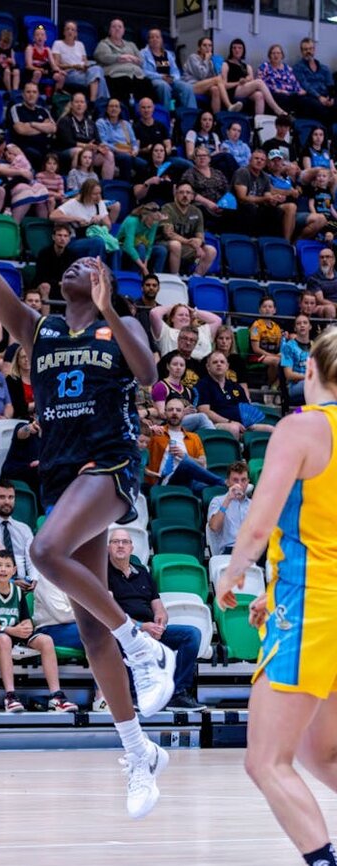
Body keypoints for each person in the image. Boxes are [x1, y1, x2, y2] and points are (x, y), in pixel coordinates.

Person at [0, 154, 176, 820]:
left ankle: (143, 647)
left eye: (90, 265)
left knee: (43, 554)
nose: (76, 267)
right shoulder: (35, 328)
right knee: (89, 629)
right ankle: (138, 756)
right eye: (70, 266)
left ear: (102, 282)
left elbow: (151, 376)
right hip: (66, 476)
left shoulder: (116, 327)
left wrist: (112, 308)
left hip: (111, 464)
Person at [216, 327, 337, 866]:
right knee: (323, 754)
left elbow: (261, 520)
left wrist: (235, 572)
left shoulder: (304, 428)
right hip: (312, 603)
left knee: (265, 761)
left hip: (312, 607)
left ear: (308, 369)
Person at [108, 527, 204, 710]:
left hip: (150, 628)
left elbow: (158, 606)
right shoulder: (103, 572)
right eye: (115, 542)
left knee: (192, 634)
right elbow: (111, 612)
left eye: (125, 542)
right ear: (108, 547)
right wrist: (142, 626)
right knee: (122, 637)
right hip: (124, 630)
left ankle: (177, 694)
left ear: (131, 548)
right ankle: (135, 695)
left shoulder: (142, 572)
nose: (120, 545)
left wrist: (160, 620)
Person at [0, 549, 76, 713]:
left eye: (7, 566)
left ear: (14, 570)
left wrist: (27, 626)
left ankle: (56, 696)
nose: (3, 569)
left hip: (17, 633)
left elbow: (26, 620)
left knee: (46, 640)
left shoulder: (18, 592)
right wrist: (12, 630)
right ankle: (10, 696)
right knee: (4, 640)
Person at [33, 573, 106, 712]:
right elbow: (62, 615)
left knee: (108, 634)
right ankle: (101, 696)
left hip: (75, 626)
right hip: (51, 629)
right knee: (97, 633)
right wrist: (91, 614)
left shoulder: (76, 578)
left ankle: (109, 695)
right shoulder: (47, 578)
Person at [146, 396, 222, 491]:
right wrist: (149, 431)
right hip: (164, 482)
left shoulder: (194, 437)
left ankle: (234, 486)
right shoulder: (157, 434)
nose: (174, 413)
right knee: (185, 463)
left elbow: (203, 464)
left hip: (190, 483)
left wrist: (185, 456)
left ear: (183, 414)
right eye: (170, 410)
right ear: (165, 413)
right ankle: (223, 482)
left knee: (215, 489)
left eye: (178, 410)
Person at [0, 480, 40, 592]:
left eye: (11, 497)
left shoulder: (24, 529)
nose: (7, 501)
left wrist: (33, 579)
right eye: (1, 497)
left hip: (25, 583)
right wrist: (9, 581)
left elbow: (32, 560)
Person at [196, 351, 275, 439]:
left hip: (241, 424)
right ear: (208, 367)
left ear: (227, 366)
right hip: (215, 424)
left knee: (271, 429)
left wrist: (247, 423)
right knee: (234, 428)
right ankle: (238, 450)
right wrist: (229, 422)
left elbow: (247, 409)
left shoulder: (235, 386)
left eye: (222, 362)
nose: (219, 364)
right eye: (215, 362)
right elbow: (205, 411)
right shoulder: (203, 385)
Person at [159, 181, 218, 276]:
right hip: (166, 244)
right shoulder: (167, 208)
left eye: (188, 193)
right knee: (176, 244)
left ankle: (196, 277)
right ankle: (175, 277)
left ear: (193, 196)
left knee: (211, 250)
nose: (185, 195)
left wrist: (198, 242)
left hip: (187, 246)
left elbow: (200, 235)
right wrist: (189, 242)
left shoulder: (197, 211)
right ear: (176, 193)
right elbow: (168, 233)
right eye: (181, 192)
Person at [233, 149, 294, 239]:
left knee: (276, 211)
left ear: (265, 163)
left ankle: (269, 242)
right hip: (237, 207)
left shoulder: (264, 177)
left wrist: (274, 198)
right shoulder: (243, 172)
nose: (259, 161)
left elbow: (267, 196)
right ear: (250, 160)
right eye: (256, 158)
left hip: (254, 208)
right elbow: (242, 198)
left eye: (262, 160)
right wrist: (264, 199)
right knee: (250, 208)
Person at [221, 37, 286, 116]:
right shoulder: (226, 64)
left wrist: (247, 80)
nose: (237, 50)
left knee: (259, 95)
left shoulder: (247, 66)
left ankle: (258, 123)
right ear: (231, 50)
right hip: (233, 91)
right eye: (234, 48)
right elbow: (224, 85)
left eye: (240, 48)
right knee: (259, 82)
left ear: (243, 50)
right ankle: (277, 109)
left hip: (246, 90)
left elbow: (251, 82)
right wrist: (238, 82)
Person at [55, 92, 115, 178]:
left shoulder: (91, 122)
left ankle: (107, 186)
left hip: (89, 152)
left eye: (82, 102)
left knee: (109, 155)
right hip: (68, 151)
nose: (79, 104)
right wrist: (85, 146)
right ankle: (75, 184)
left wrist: (101, 147)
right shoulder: (65, 120)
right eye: (76, 102)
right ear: (71, 105)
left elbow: (98, 141)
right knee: (79, 151)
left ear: (86, 105)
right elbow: (68, 141)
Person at [94, 18, 153, 103]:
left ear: (123, 31)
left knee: (147, 83)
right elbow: (103, 57)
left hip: (136, 75)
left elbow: (141, 61)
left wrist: (130, 58)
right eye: (114, 27)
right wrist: (120, 57)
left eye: (120, 27)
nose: (117, 29)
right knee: (124, 82)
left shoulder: (131, 45)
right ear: (110, 30)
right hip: (115, 75)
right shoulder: (104, 44)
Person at [151, 351, 213, 431]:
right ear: (168, 366)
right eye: (175, 364)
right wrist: (182, 413)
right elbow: (161, 414)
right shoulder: (161, 386)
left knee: (202, 422)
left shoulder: (188, 390)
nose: (178, 367)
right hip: (168, 425)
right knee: (201, 417)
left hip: (185, 424)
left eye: (182, 365)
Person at [51, 20, 108, 102]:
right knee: (99, 78)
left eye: (72, 30)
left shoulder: (80, 44)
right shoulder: (58, 44)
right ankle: (99, 102)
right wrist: (73, 66)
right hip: (68, 73)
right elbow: (56, 64)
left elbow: (85, 61)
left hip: (82, 72)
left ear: (76, 33)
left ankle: (93, 102)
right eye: (68, 29)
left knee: (97, 69)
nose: (70, 31)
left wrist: (85, 66)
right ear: (64, 32)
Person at [183, 35, 243, 112]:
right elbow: (202, 75)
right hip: (191, 86)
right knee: (217, 79)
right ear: (199, 48)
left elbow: (213, 78)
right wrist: (206, 60)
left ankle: (216, 117)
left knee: (215, 89)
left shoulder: (210, 62)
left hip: (204, 86)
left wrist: (212, 64)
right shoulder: (193, 58)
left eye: (210, 46)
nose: (207, 48)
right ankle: (229, 105)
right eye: (204, 45)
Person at [141, 29, 196, 111]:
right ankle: (168, 114)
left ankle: (190, 114)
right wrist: (162, 77)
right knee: (164, 86)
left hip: (170, 80)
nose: (155, 39)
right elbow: (143, 71)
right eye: (152, 37)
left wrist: (172, 78)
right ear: (148, 40)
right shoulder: (143, 53)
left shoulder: (168, 54)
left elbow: (175, 71)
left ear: (161, 40)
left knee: (187, 87)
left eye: (157, 37)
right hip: (155, 80)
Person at [150, 298, 220, 360]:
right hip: (175, 366)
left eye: (187, 315)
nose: (184, 317)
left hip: (202, 368)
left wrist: (196, 313)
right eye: (180, 315)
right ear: (172, 318)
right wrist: (171, 308)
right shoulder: (166, 332)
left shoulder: (202, 331)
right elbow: (154, 313)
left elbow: (217, 320)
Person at [7, 82, 56, 170]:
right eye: (28, 92)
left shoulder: (43, 111)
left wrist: (32, 124)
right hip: (23, 146)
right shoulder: (16, 108)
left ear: (38, 95)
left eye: (34, 92)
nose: (31, 95)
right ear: (23, 94)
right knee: (36, 154)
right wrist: (43, 127)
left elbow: (53, 128)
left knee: (55, 156)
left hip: (43, 146)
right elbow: (21, 130)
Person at [95, 97, 146, 182]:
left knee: (143, 164)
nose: (114, 109)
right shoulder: (101, 123)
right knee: (126, 159)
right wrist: (119, 150)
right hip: (112, 152)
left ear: (120, 110)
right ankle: (125, 186)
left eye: (116, 106)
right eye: (111, 106)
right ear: (107, 109)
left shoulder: (125, 124)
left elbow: (133, 142)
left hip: (128, 152)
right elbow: (103, 142)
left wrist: (135, 151)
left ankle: (136, 188)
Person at [208, 460, 251, 554]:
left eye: (243, 480)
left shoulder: (253, 505)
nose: (239, 484)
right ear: (227, 482)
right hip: (229, 549)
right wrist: (228, 499)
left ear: (248, 482)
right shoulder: (218, 501)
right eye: (235, 480)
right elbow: (214, 527)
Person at [293, 37, 337, 126]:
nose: (308, 51)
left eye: (310, 49)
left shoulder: (324, 68)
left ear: (314, 50)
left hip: (325, 97)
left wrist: (331, 98)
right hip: (309, 97)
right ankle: (327, 136)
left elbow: (331, 85)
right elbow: (305, 85)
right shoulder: (298, 67)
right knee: (318, 107)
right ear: (302, 52)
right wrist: (319, 97)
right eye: (305, 49)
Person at [257, 44, 308, 115]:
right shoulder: (264, 67)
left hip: (290, 94)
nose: (276, 55)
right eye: (273, 53)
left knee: (305, 100)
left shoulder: (288, 68)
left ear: (282, 55)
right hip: (274, 94)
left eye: (278, 53)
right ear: (269, 55)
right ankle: (286, 118)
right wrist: (279, 91)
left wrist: (299, 90)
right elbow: (262, 84)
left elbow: (294, 82)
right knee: (283, 98)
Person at [117, 203, 168, 275]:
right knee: (141, 247)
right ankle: (136, 276)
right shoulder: (132, 221)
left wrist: (146, 262)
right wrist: (143, 267)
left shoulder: (154, 223)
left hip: (141, 246)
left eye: (156, 221)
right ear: (145, 216)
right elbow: (128, 246)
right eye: (153, 220)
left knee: (161, 250)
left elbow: (149, 245)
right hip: (123, 246)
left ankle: (156, 277)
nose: (154, 223)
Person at [249, 296, 283, 385]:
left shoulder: (277, 327)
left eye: (270, 307)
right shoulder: (256, 326)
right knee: (276, 361)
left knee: (288, 360)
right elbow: (256, 349)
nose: (267, 309)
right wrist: (274, 356)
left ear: (274, 310)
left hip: (272, 355)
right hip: (257, 356)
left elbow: (279, 347)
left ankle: (276, 386)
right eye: (264, 306)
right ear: (260, 310)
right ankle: (269, 386)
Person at [133, 142, 177, 208]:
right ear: (151, 153)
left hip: (168, 206)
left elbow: (177, 193)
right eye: (156, 151)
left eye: (161, 151)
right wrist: (148, 182)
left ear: (165, 153)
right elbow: (138, 196)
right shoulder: (143, 170)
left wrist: (171, 184)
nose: (159, 153)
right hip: (149, 205)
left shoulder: (172, 170)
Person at [280, 313, 312, 405]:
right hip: (295, 386)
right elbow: (289, 374)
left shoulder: (316, 346)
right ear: (295, 328)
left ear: (310, 327)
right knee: (312, 385)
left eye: (305, 323)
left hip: (313, 383)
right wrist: (308, 377)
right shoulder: (288, 347)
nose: (302, 325)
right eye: (298, 323)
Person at [25, 24, 65, 91]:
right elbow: (29, 66)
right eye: (37, 35)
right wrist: (39, 69)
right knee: (38, 73)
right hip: (33, 71)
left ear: (45, 38)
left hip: (45, 71)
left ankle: (56, 96)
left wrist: (60, 71)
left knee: (61, 77)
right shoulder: (30, 48)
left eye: (42, 35)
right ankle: (33, 92)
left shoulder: (47, 49)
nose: (40, 37)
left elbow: (53, 65)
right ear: (33, 38)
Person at [308, 168, 337, 243]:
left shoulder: (328, 193)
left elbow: (329, 207)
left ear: (328, 180)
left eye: (324, 176)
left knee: (334, 225)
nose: (321, 178)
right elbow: (311, 204)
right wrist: (315, 214)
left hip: (328, 216)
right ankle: (325, 237)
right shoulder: (314, 190)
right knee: (325, 225)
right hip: (320, 215)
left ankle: (329, 237)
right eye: (319, 176)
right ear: (316, 178)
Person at [5, 345, 35, 419]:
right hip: (20, 419)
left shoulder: (40, 378)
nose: (26, 359)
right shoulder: (11, 380)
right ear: (17, 360)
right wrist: (37, 405)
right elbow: (17, 408)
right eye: (23, 357)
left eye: (28, 356)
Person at [307, 248, 337, 319]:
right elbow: (320, 300)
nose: (324, 260)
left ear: (333, 260)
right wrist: (335, 305)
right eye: (322, 257)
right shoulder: (314, 279)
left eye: (327, 257)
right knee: (330, 309)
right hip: (321, 307)